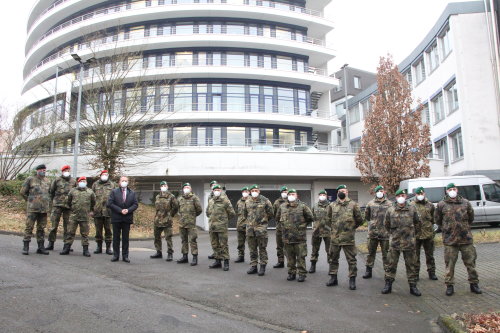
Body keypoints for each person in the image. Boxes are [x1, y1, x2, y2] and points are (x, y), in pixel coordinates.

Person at [434, 183, 482, 296]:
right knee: (449, 265)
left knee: (471, 263)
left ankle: (474, 284)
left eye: (454, 189)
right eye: (450, 189)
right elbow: (437, 220)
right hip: (450, 240)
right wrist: (447, 229)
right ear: (446, 191)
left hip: (466, 239)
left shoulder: (465, 203)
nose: (452, 191)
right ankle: (449, 286)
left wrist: (463, 228)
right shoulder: (441, 204)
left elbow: (471, 217)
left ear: (457, 190)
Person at [381, 189, 422, 296]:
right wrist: (393, 235)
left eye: (403, 195)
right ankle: (388, 284)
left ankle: (413, 286)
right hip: (395, 243)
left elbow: (418, 224)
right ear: (396, 197)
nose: (401, 197)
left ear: (406, 196)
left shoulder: (412, 209)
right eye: (399, 195)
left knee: (411, 265)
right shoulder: (390, 210)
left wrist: (412, 236)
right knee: (391, 265)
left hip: (409, 243)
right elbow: (386, 224)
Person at [326, 185, 363, 290]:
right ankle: (333, 278)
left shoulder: (353, 205)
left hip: (348, 238)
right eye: (341, 191)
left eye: (345, 191)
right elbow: (327, 219)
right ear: (337, 192)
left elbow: (359, 219)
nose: (343, 192)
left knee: (351, 260)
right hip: (335, 238)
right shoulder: (332, 205)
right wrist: (334, 229)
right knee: (333, 258)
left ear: (347, 192)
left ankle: (352, 280)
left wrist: (351, 228)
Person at [276, 189, 314, 282]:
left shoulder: (303, 206)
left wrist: (303, 226)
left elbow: (310, 217)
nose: (291, 195)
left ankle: (302, 274)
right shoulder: (282, 206)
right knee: (289, 257)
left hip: (299, 237)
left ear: (296, 195)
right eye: (289, 194)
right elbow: (277, 217)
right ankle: (291, 273)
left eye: (293, 194)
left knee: (301, 256)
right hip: (287, 237)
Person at [60, 177, 96, 257]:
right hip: (74, 216)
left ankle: (85, 250)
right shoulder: (73, 191)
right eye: (81, 181)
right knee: (70, 232)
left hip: (85, 216)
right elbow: (68, 201)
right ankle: (66, 248)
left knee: (85, 234)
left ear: (86, 182)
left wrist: (90, 211)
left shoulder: (90, 192)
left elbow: (93, 202)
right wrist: (72, 209)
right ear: (78, 182)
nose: (83, 182)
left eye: (84, 181)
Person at [243, 184, 274, 276]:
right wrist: (250, 223)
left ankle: (263, 266)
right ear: (250, 192)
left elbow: (271, 213)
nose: (254, 192)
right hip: (250, 229)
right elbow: (245, 214)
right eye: (252, 191)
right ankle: (253, 266)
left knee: (262, 248)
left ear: (259, 191)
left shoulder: (265, 200)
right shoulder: (247, 201)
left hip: (261, 229)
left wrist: (263, 222)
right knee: (252, 249)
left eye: (256, 190)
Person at [20, 164, 51, 255]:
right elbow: (22, 192)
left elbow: (49, 193)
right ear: (37, 171)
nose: (43, 171)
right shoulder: (30, 179)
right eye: (41, 170)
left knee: (41, 228)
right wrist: (30, 201)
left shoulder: (47, 181)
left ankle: (41, 247)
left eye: (44, 170)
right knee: (29, 227)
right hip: (33, 209)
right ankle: (26, 247)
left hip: (43, 209)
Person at [362, 185, 392, 279]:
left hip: (385, 233)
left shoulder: (389, 204)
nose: (380, 192)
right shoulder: (370, 203)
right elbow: (367, 216)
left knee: (386, 254)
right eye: (378, 190)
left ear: (384, 192)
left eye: (382, 190)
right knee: (371, 253)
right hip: (373, 233)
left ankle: (387, 272)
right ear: (375, 192)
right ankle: (368, 270)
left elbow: (392, 216)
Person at [107, 176, 138, 263]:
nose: (124, 182)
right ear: (119, 182)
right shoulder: (114, 192)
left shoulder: (132, 193)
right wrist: (120, 210)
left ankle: (125, 256)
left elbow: (135, 204)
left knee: (125, 238)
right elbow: (110, 203)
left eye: (126, 181)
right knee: (116, 238)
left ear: (128, 182)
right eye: (122, 180)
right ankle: (116, 255)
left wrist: (128, 210)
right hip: (116, 218)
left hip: (127, 218)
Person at [410, 187, 437, 280]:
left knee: (430, 255)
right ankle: (416, 274)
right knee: (415, 256)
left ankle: (432, 272)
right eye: (418, 194)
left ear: (424, 194)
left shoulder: (430, 205)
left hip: (428, 234)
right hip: (416, 235)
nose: (420, 196)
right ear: (415, 195)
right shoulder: (411, 205)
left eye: (422, 194)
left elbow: (434, 219)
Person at [46, 165, 76, 250]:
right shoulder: (57, 180)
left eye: (68, 170)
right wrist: (52, 203)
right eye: (65, 170)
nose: (67, 171)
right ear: (62, 171)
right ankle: (51, 243)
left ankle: (67, 245)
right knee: (53, 226)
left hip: (68, 207)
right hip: (57, 206)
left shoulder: (73, 181)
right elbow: (51, 192)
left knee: (68, 227)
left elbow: (75, 193)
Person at [206, 184, 235, 271]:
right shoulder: (211, 201)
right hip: (212, 227)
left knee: (223, 245)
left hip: (222, 227)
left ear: (221, 190)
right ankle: (217, 261)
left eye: (218, 189)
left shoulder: (225, 200)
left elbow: (232, 213)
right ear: (213, 191)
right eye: (215, 190)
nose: (216, 191)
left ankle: (226, 262)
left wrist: (224, 220)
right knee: (215, 244)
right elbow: (207, 212)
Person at [150, 181, 179, 261]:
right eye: (162, 185)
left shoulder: (171, 196)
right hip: (157, 220)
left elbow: (176, 207)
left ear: (167, 186)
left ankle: (170, 253)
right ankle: (158, 252)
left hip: (167, 220)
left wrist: (171, 214)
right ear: (160, 187)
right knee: (157, 237)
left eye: (165, 185)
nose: (163, 186)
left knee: (168, 237)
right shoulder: (157, 196)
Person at [176, 183, 202, 266]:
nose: (186, 189)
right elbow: (178, 210)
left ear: (190, 189)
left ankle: (194, 257)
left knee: (193, 240)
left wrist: (192, 217)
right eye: (185, 187)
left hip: (191, 224)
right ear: (183, 189)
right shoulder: (180, 199)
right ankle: (184, 256)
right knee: (184, 240)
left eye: (188, 187)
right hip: (182, 223)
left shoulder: (194, 198)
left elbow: (199, 210)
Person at [91, 170, 116, 255]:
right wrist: (91, 210)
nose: (105, 176)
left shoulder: (112, 185)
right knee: (98, 230)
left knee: (108, 230)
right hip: (97, 211)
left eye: (106, 174)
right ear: (100, 175)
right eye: (103, 174)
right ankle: (99, 247)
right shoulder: (95, 184)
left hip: (108, 211)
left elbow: (115, 198)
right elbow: (91, 198)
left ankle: (108, 248)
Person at [309, 190, 331, 274]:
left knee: (329, 251)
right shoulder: (315, 206)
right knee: (314, 250)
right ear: (318, 196)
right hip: (316, 231)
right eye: (320, 194)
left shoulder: (331, 206)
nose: (322, 196)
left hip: (328, 232)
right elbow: (311, 217)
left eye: (323, 195)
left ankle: (331, 267)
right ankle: (313, 265)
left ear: (326, 196)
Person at [272, 186, 288, 268]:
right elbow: (274, 214)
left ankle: (290, 263)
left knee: (289, 246)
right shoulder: (277, 202)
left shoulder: (292, 201)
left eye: (286, 191)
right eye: (283, 191)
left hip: (289, 228)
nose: (285, 193)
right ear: (281, 193)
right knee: (279, 245)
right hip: (279, 227)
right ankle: (280, 261)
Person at [234, 186, 250, 263]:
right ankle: (241, 256)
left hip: (249, 226)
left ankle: (253, 258)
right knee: (240, 243)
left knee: (251, 243)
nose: (245, 193)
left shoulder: (252, 201)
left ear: (249, 192)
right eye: (244, 191)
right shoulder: (239, 202)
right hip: (240, 225)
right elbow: (237, 211)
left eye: (246, 191)